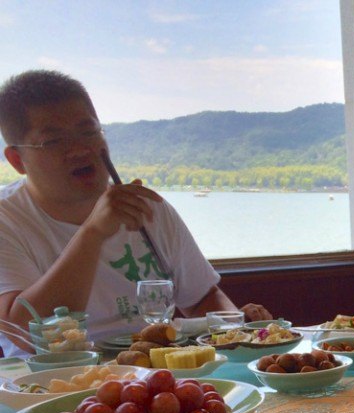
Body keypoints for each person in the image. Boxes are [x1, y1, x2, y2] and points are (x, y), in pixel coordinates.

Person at [0, 70, 272, 356]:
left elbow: (202, 297)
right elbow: (25, 333)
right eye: (53, 141)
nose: (80, 148)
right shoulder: (9, 219)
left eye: (88, 131)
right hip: (51, 386)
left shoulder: (147, 207)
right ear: (17, 160)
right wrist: (93, 233)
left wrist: (234, 332)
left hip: (157, 374)